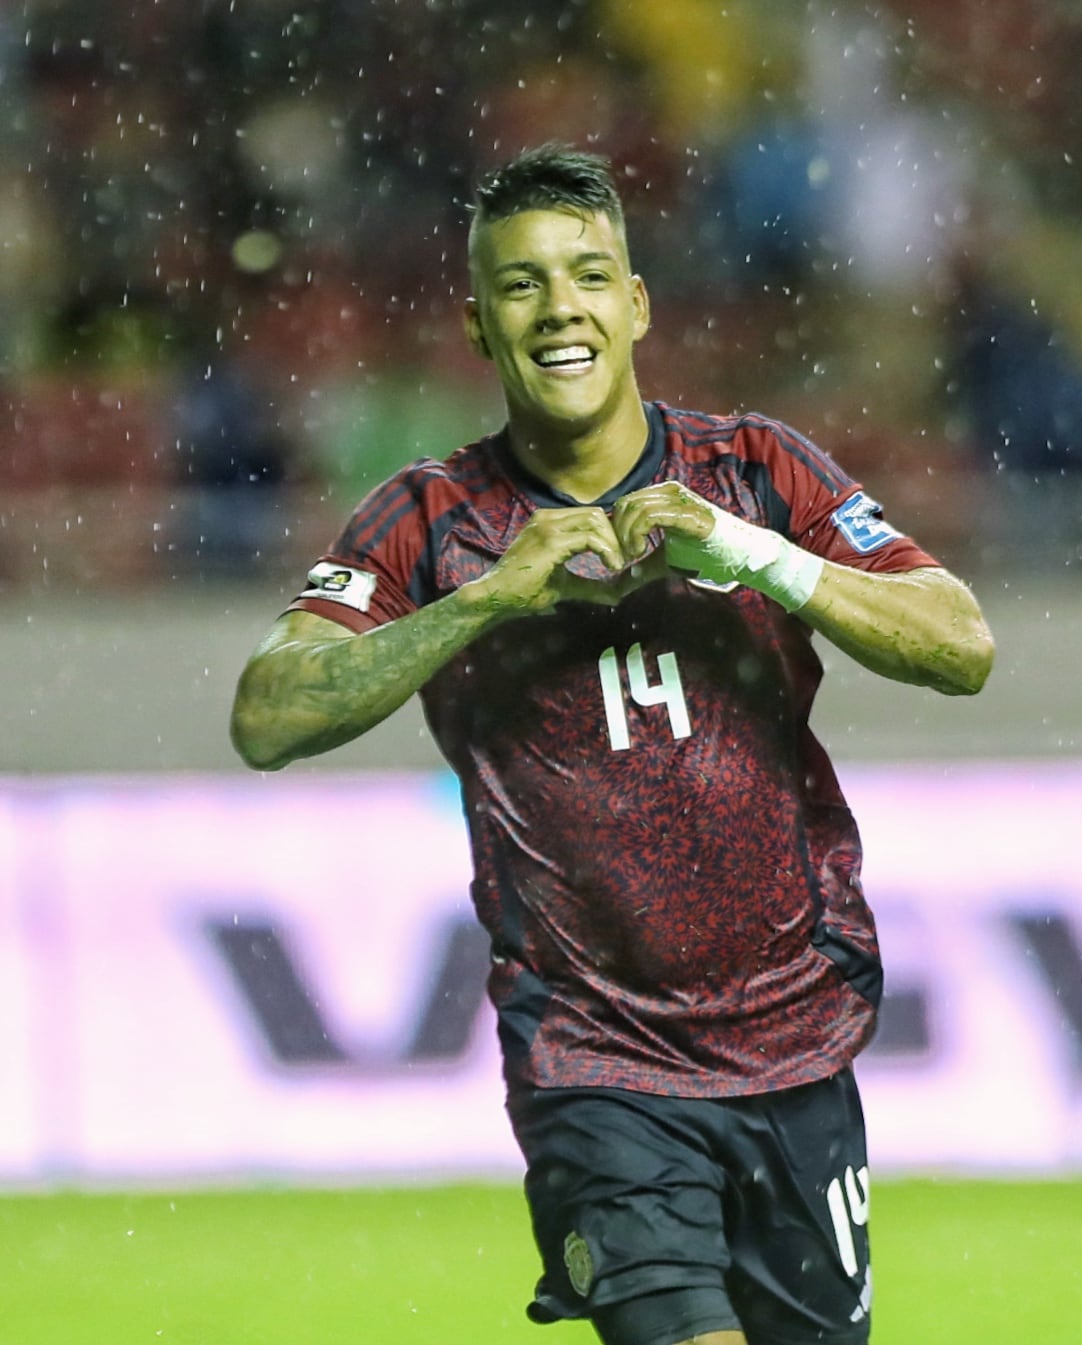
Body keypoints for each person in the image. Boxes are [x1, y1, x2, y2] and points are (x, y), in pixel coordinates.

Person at [230, 144, 994, 1345]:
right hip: (598, 1062)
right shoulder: (432, 521)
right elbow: (269, 711)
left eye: (586, 275)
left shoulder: (752, 473)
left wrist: (756, 558)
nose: (558, 309)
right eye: (521, 285)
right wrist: (482, 600)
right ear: (478, 326)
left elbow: (960, 642)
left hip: (796, 1036)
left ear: (634, 304)